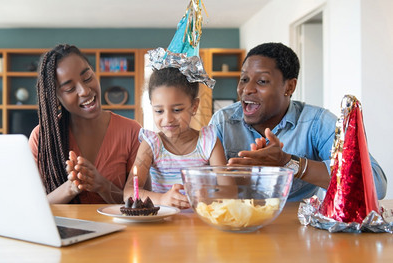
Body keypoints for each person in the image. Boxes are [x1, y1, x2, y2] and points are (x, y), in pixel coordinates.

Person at [210, 42, 387, 202]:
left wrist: (290, 163)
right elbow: (197, 179)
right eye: (244, 79)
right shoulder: (222, 122)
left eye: (262, 81)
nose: (247, 89)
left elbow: (376, 186)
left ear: (289, 87)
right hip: (234, 225)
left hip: (297, 230)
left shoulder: (316, 123)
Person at [29, 44, 141, 204]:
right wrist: (71, 187)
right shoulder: (41, 138)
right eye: (69, 88)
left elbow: (142, 203)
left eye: (88, 78)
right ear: (56, 97)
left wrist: (102, 185)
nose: (85, 90)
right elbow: (32, 207)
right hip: (63, 230)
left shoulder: (132, 131)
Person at [123, 67, 227, 209]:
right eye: (159, 111)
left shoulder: (209, 142)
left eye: (177, 110)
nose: (168, 119)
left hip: (202, 224)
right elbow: (128, 192)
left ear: (194, 106)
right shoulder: (152, 144)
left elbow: (229, 190)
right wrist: (162, 199)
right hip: (163, 224)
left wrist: (210, 194)